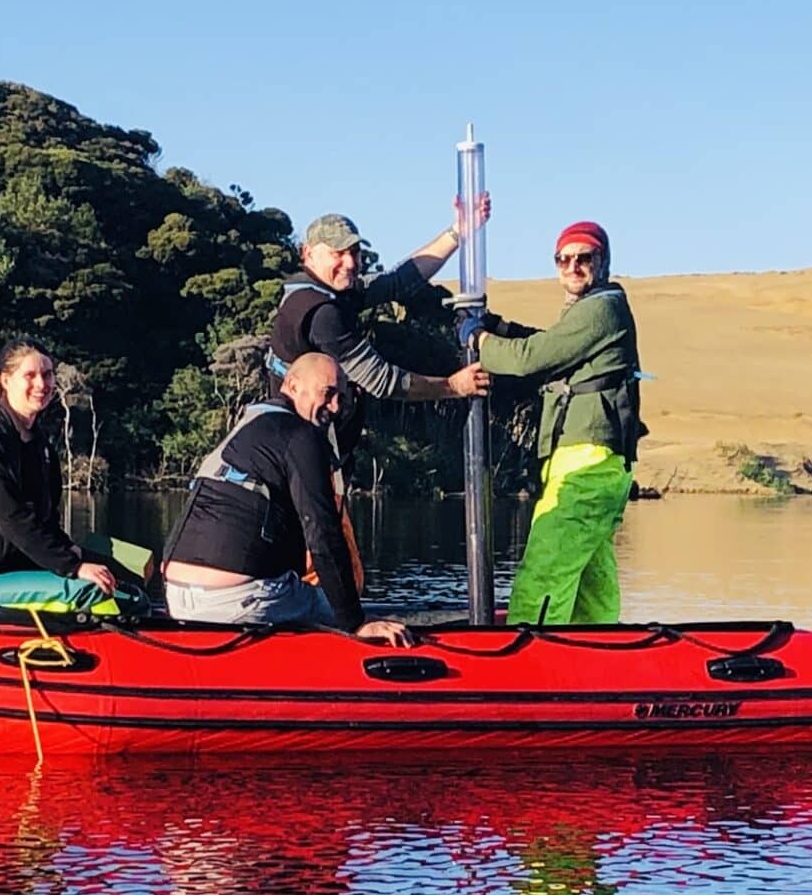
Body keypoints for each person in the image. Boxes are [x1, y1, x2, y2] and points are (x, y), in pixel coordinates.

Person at [161, 353, 417, 645]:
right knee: (329, 607)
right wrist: (356, 622)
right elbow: (322, 533)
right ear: (292, 386)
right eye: (328, 393)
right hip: (242, 600)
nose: (335, 407)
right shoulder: (301, 436)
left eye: (341, 397)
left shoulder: (248, 428)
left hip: (176, 597)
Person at [476, 221, 646, 626]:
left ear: (602, 262)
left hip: (587, 462)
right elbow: (552, 343)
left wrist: (479, 342)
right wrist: (496, 326)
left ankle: (529, 659)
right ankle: (598, 651)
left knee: (546, 570)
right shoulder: (590, 311)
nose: (572, 266)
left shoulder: (603, 308)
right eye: (563, 259)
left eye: (583, 257)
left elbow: (528, 359)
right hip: (589, 461)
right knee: (591, 578)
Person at [272, 208, 494, 463]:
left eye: (354, 253)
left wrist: (458, 232)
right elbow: (382, 380)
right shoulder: (322, 314)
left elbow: (398, 281)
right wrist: (453, 386)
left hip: (310, 444)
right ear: (308, 253)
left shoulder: (326, 290)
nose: (351, 263)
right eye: (338, 253)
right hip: (300, 449)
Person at [0, 340, 126, 611]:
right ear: (5, 380)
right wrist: (73, 567)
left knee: (129, 593)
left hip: (26, 570)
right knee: (89, 588)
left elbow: (47, 523)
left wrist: (73, 553)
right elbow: (13, 518)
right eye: (30, 375)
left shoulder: (41, 445)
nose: (42, 384)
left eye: (48, 375)